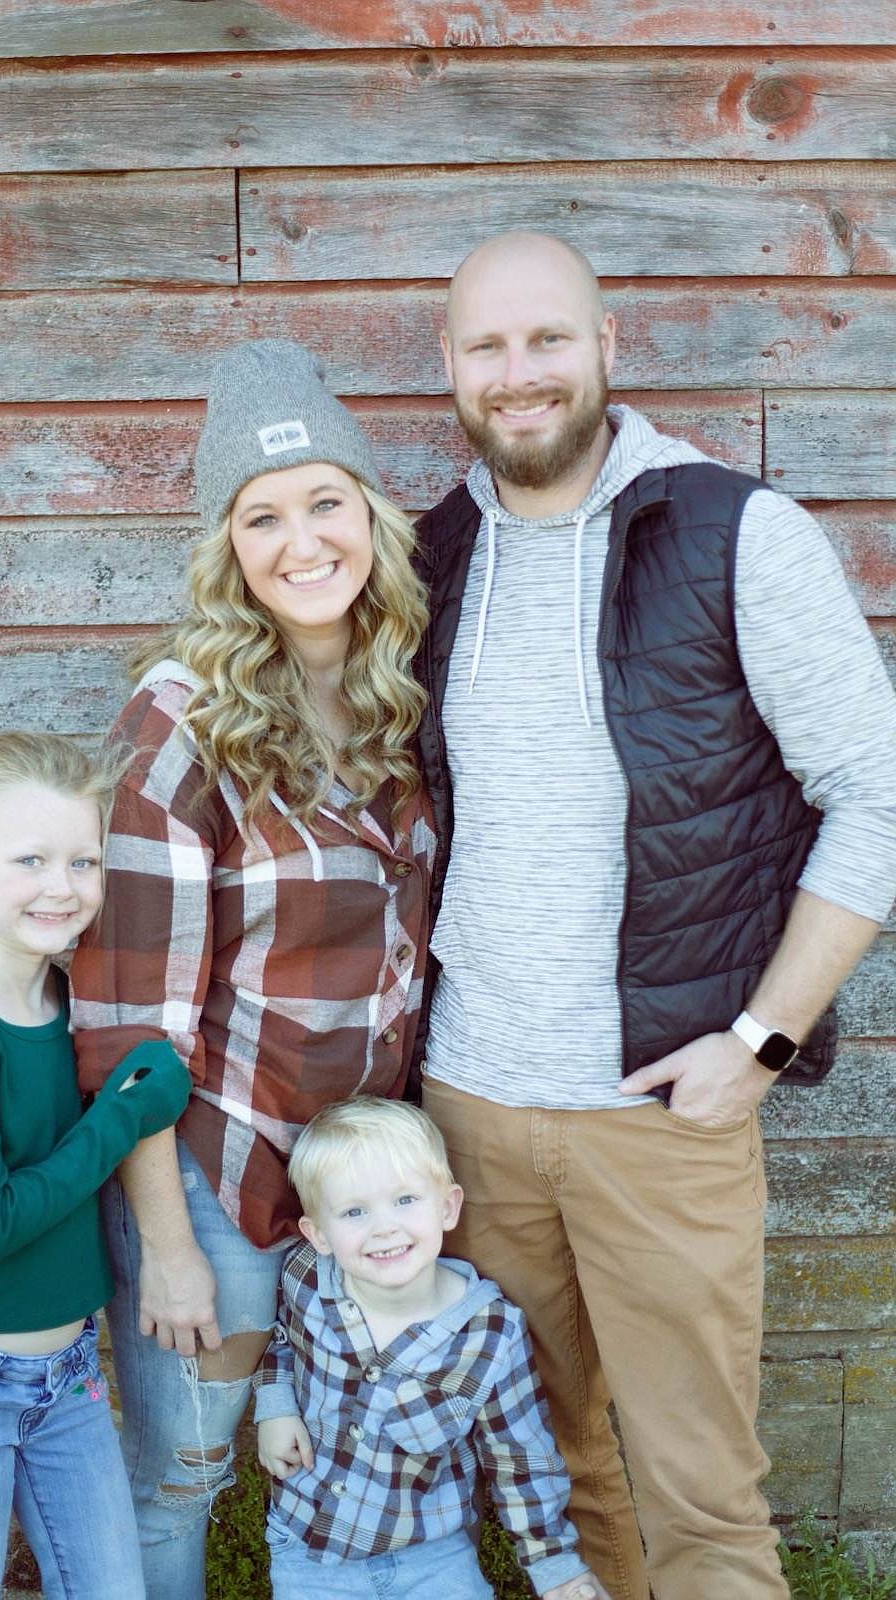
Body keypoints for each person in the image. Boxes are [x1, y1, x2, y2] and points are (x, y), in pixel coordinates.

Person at [412, 231, 896, 1600]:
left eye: (547, 339)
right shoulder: (430, 558)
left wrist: (760, 1039)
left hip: (660, 1112)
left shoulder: (734, 533)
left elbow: (875, 790)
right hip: (469, 1117)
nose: (520, 375)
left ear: (607, 346)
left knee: (702, 1500)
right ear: (448, 367)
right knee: (551, 1485)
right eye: (489, 348)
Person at [69, 338, 435, 1598]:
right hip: (219, 1185)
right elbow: (125, 1026)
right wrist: (167, 1245)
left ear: (371, 516)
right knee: (180, 1473)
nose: (301, 541)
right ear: (229, 548)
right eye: (261, 515)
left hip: (359, 1196)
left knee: (330, 1449)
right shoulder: (181, 727)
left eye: (325, 501)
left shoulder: (399, 708)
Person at [0, 732, 192, 1600]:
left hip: (68, 1378)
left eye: (83, 861)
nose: (62, 886)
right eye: (30, 859)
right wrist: (124, 1117)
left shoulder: (67, 1003)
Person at [255, 1097, 608, 1600]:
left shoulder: (489, 1333)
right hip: (309, 1550)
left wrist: (555, 1567)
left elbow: (519, 1457)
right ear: (319, 1235)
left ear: (448, 1207)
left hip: (432, 1559)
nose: (384, 1227)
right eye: (354, 1211)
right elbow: (280, 1340)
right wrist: (275, 1405)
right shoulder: (307, 1279)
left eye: (405, 1201)